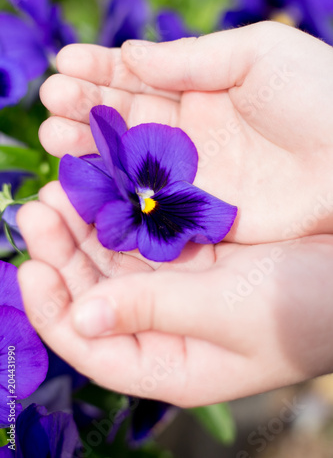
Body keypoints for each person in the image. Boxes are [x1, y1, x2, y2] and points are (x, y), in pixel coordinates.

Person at [17, 21, 333, 408]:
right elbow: (135, 205)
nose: (147, 203)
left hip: (141, 198)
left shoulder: (140, 206)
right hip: (143, 198)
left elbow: (143, 207)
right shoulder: (143, 205)